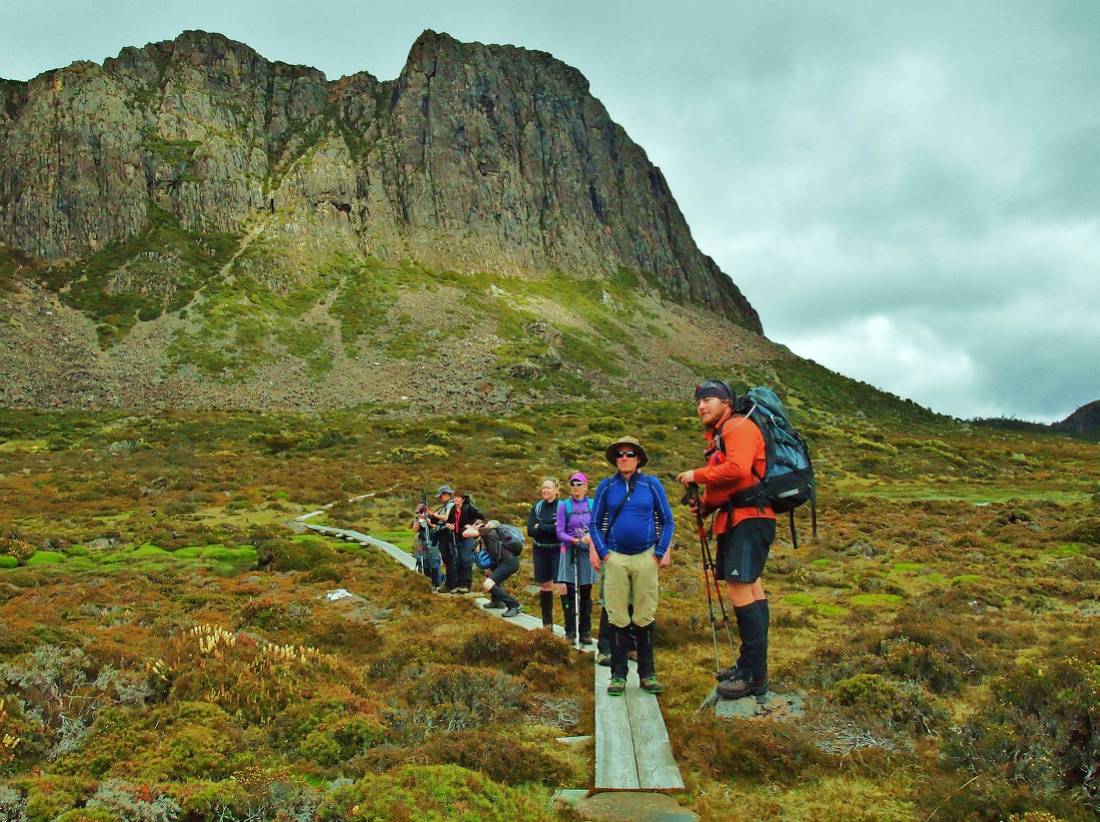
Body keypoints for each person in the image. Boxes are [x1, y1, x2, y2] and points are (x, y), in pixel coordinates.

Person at [677, 379, 776, 700]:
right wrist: (705, 506)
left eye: (709, 399)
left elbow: (737, 469)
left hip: (749, 519)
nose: (702, 406)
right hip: (739, 518)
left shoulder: (737, 427)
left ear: (727, 402)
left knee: (740, 588)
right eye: (698, 402)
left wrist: (696, 475)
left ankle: (754, 675)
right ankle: (749, 664)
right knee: (751, 587)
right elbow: (730, 483)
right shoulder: (724, 433)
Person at [589, 436, 674, 696]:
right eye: (620, 454)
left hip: (646, 557)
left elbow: (667, 520)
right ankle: (618, 675)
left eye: (629, 454)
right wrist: (604, 553)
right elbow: (594, 523)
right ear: (615, 459)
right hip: (615, 558)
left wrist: (659, 553)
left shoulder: (652, 485)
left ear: (639, 458)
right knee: (617, 616)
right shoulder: (606, 486)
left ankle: (647, 675)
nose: (624, 458)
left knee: (644, 616)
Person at [555, 471, 597, 645]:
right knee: (569, 591)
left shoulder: (593, 504)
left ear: (586, 486)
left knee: (586, 591)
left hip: (587, 552)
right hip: (569, 551)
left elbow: (597, 527)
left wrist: (588, 540)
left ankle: (585, 631)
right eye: (573, 484)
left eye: (579, 484)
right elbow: (559, 532)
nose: (576, 487)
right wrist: (575, 540)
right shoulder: (564, 506)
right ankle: (570, 632)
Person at [527, 478, 563, 630]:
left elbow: (559, 531)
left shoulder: (562, 507)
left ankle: (570, 627)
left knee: (562, 587)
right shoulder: (538, 507)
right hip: (540, 550)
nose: (545, 490)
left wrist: (541, 526)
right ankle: (547, 624)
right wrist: (549, 527)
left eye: (548, 488)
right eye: (543, 488)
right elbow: (530, 531)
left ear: (556, 490)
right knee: (545, 586)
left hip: (558, 550)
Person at [467, 520, 523, 618]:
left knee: (487, 584)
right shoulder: (495, 539)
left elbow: (466, 533)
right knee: (489, 573)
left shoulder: (490, 532)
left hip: (509, 563)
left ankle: (514, 605)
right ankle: (496, 601)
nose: (484, 527)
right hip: (507, 562)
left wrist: (474, 528)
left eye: (487, 525)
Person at [447, 491, 485, 594]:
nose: (456, 499)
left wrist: (473, 525)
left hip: (468, 538)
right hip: (457, 538)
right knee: (458, 561)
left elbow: (481, 517)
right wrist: (449, 525)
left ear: (463, 499)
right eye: (455, 497)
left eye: (458, 498)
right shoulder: (453, 509)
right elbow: (449, 521)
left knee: (466, 560)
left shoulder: (468, 508)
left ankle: (466, 585)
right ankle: (459, 584)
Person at [426, 485, 457, 592]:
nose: (439, 498)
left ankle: (451, 584)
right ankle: (450, 583)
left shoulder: (451, 505)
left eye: (440, 496)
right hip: (443, 537)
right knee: (447, 560)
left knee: (450, 560)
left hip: (448, 536)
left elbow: (447, 517)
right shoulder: (444, 506)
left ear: (445, 494)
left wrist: (434, 514)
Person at [412, 500, 442, 588]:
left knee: (434, 563)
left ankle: (437, 584)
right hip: (423, 543)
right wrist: (418, 519)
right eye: (418, 511)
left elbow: (438, 527)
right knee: (425, 564)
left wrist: (429, 521)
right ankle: (428, 584)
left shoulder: (434, 516)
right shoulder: (418, 518)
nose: (420, 512)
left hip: (434, 543)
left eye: (421, 510)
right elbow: (414, 530)